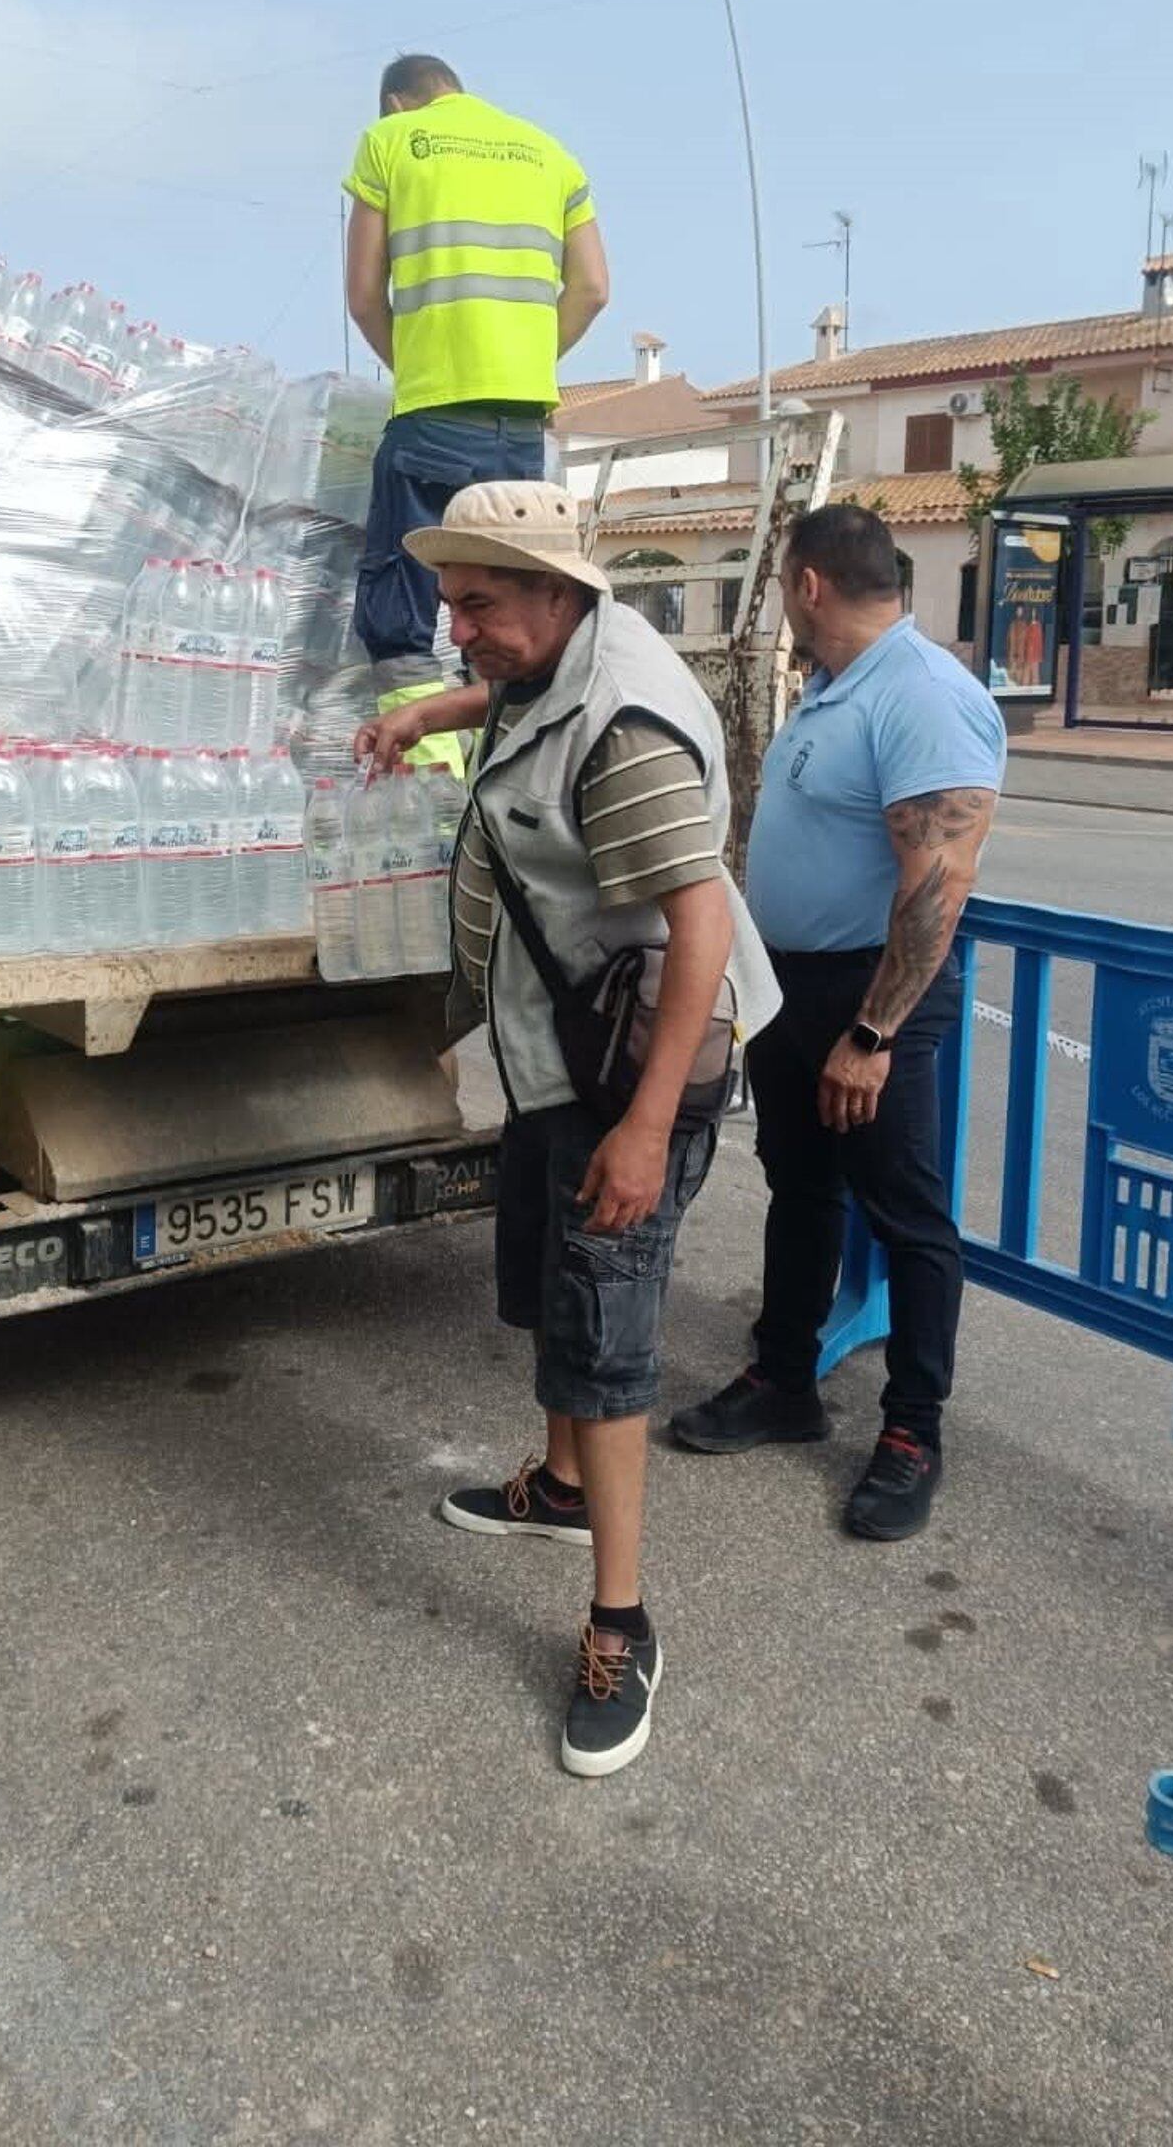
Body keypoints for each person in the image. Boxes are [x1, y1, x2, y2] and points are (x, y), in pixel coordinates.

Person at [358, 481, 778, 1777]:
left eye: (478, 605)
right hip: (559, 1055)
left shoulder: (625, 729)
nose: (458, 629)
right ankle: (556, 1488)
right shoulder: (548, 657)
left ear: (558, 592)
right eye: (449, 604)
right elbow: (506, 691)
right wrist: (427, 711)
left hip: (631, 1071)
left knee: (605, 1337)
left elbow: (701, 923)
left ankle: (620, 1620)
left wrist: (644, 1132)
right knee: (553, 1288)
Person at [670, 504, 1005, 1541]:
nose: (783, 603)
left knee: (907, 1214)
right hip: (796, 986)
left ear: (808, 585)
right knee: (802, 1186)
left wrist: (872, 1035)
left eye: (781, 586)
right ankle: (784, 1379)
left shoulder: (923, 696)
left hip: (870, 995)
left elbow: (938, 883)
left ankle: (912, 1433)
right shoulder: (833, 687)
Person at [342, 56, 609, 767]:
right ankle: (511, 775)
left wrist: (417, 366)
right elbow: (593, 288)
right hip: (522, 431)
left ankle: (436, 794)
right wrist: (528, 362)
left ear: (396, 102)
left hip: (432, 417)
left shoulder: (390, 141)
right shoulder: (550, 153)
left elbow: (363, 295)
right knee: (502, 613)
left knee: (402, 619)